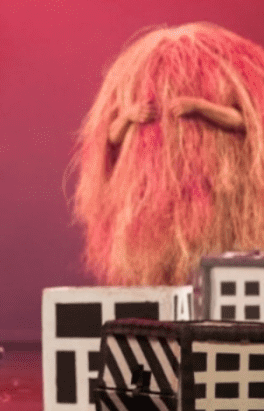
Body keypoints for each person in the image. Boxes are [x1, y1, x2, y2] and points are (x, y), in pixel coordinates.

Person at [71, 23, 264, 287]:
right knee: (164, 264)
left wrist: (200, 107)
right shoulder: (136, 94)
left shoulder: (220, 83)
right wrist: (128, 117)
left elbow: (245, 122)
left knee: (212, 258)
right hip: (150, 199)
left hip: (213, 189)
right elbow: (111, 139)